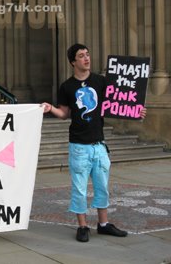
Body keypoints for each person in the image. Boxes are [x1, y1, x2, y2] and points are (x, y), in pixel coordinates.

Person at [42, 43, 146, 243]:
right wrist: (50, 108)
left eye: (88, 54)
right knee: (79, 189)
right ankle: (82, 226)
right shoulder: (67, 87)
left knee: (102, 187)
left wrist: (135, 111)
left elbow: (118, 103)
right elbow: (64, 114)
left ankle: (103, 224)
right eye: (81, 56)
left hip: (99, 145)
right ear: (73, 62)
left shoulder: (101, 81)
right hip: (79, 146)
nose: (86, 58)